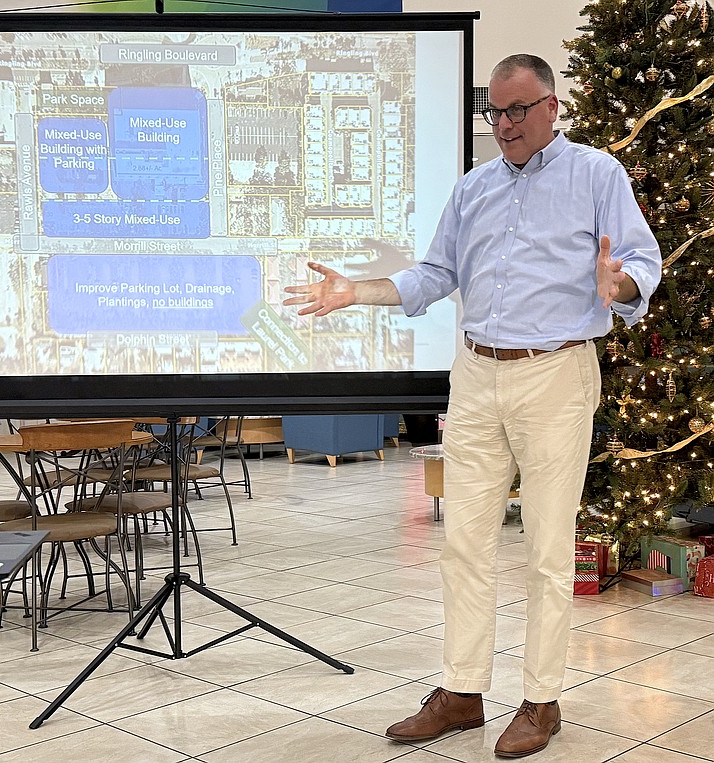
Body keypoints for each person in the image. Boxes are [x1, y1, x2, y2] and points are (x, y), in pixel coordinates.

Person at [283, 54, 661, 758]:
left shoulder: (596, 175)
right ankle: (462, 692)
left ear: (553, 107)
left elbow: (642, 260)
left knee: (548, 548)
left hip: (555, 371)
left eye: (519, 110)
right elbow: (435, 274)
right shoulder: (475, 188)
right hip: (477, 373)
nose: (506, 124)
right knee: (463, 543)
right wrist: (358, 291)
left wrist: (622, 286)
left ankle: (541, 700)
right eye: (495, 112)